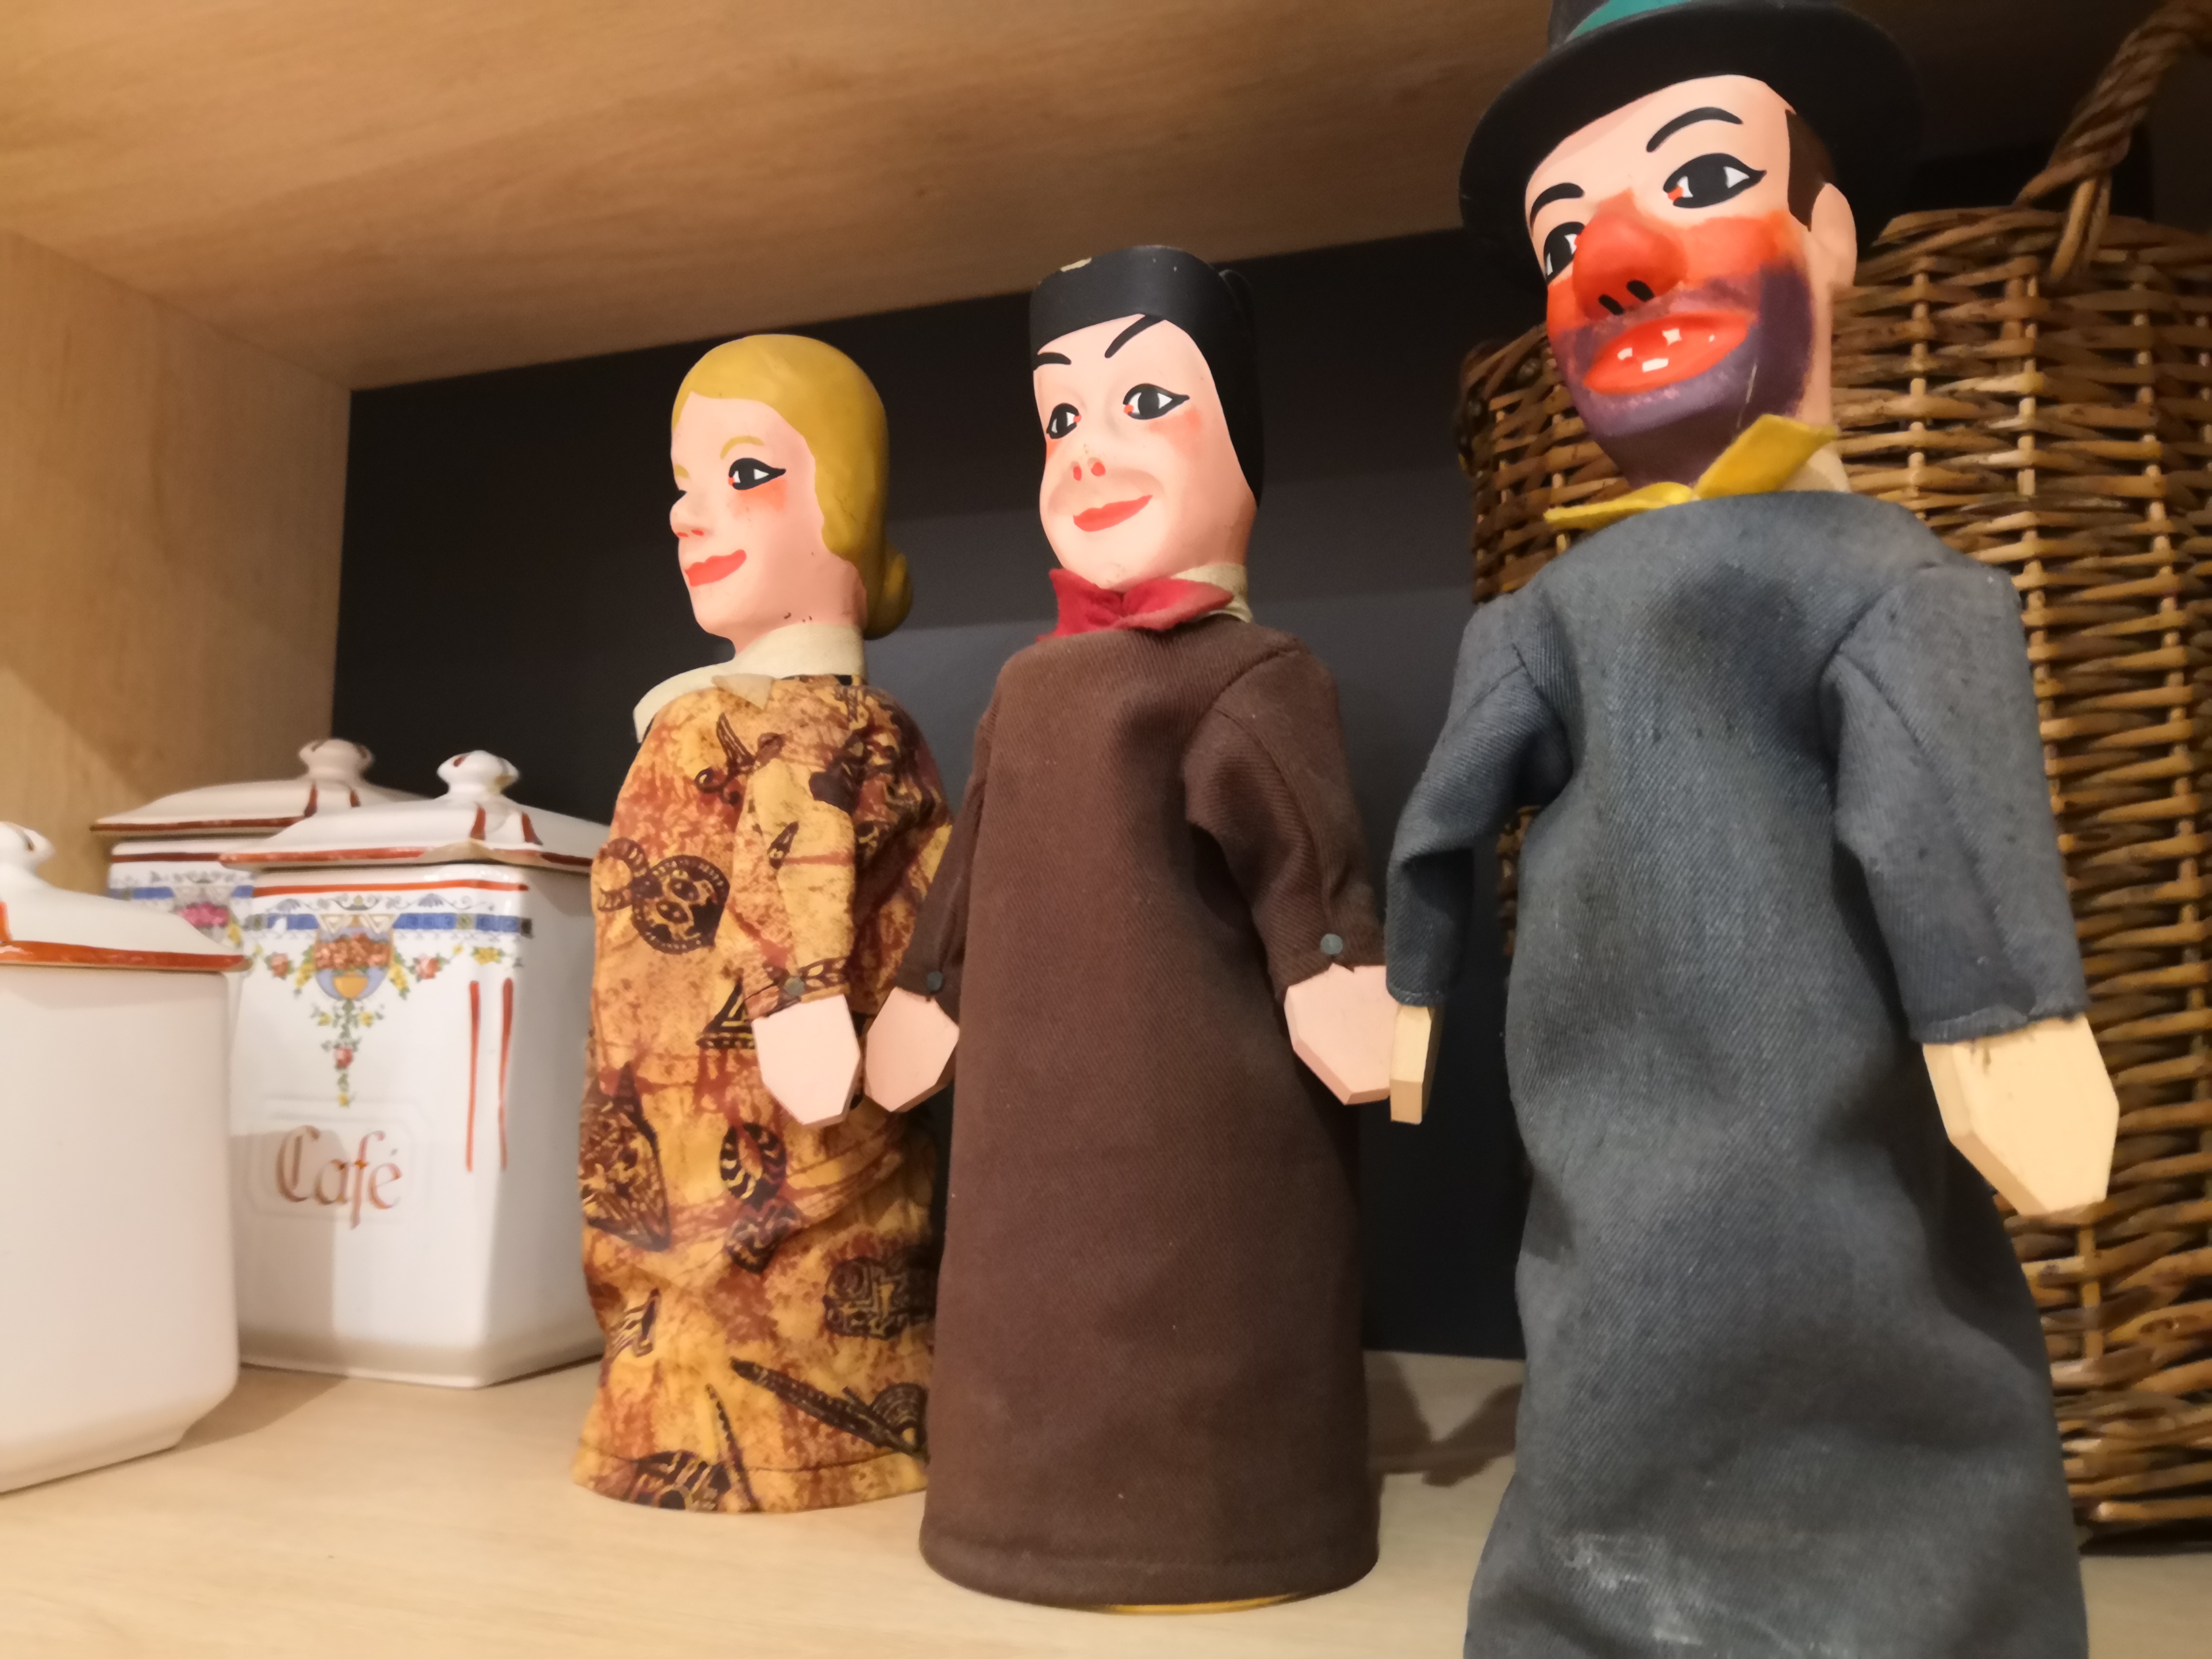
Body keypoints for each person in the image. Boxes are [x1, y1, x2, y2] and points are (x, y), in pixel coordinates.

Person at [1388, 2, 2116, 1653]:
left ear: (1829, 234)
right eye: (1560, 238)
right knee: (1607, 1358)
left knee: (1876, 1321)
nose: (1613, 265)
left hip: (1835, 1157)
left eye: (1702, 178)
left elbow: (1943, 793)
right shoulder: (1549, 614)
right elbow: (1445, 809)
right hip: (1601, 1159)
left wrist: (2006, 1024)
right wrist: (1406, 985)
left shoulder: (1886, 582)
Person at [866, 246, 1396, 1609]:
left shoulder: (1256, 674)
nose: (1090, 450)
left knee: (1205, 1310)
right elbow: (973, 853)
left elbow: (1308, 854)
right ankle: (1011, 1512)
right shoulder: (1027, 687)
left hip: (1203, 1126)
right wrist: (930, 990)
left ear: (1244, 448)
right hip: (1028, 1127)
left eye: (1146, 403)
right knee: (1021, 1307)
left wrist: (1336, 971)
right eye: (1061, 417)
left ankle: (1229, 1528)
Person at [574, 334, 950, 1514]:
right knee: (675, 1279)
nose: (689, 515)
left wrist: (804, 1005)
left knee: (763, 1281)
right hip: (666, 1143)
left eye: (746, 475)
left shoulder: (818, 724)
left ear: (849, 504)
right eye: (684, 485)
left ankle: (784, 1441)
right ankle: (675, 1420)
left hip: (784, 1144)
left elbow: (827, 864)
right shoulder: (721, 719)